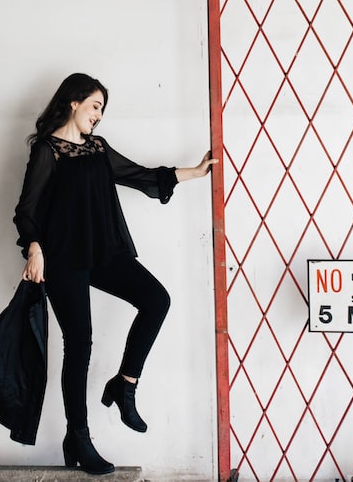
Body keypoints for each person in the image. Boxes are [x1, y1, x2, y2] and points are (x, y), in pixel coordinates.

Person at [13, 73, 216, 475]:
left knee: (156, 300)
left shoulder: (97, 148)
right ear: (73, 102)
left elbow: (138, 175)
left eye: (102, 110)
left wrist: (194, 172)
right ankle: (80, 436)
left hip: (102, 251)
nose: (99, 116)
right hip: (63, 259)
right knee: (81, 344)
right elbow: (27, 209)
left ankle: (125, 383)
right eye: (95, 106)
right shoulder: (48, 150)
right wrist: (34, 249)